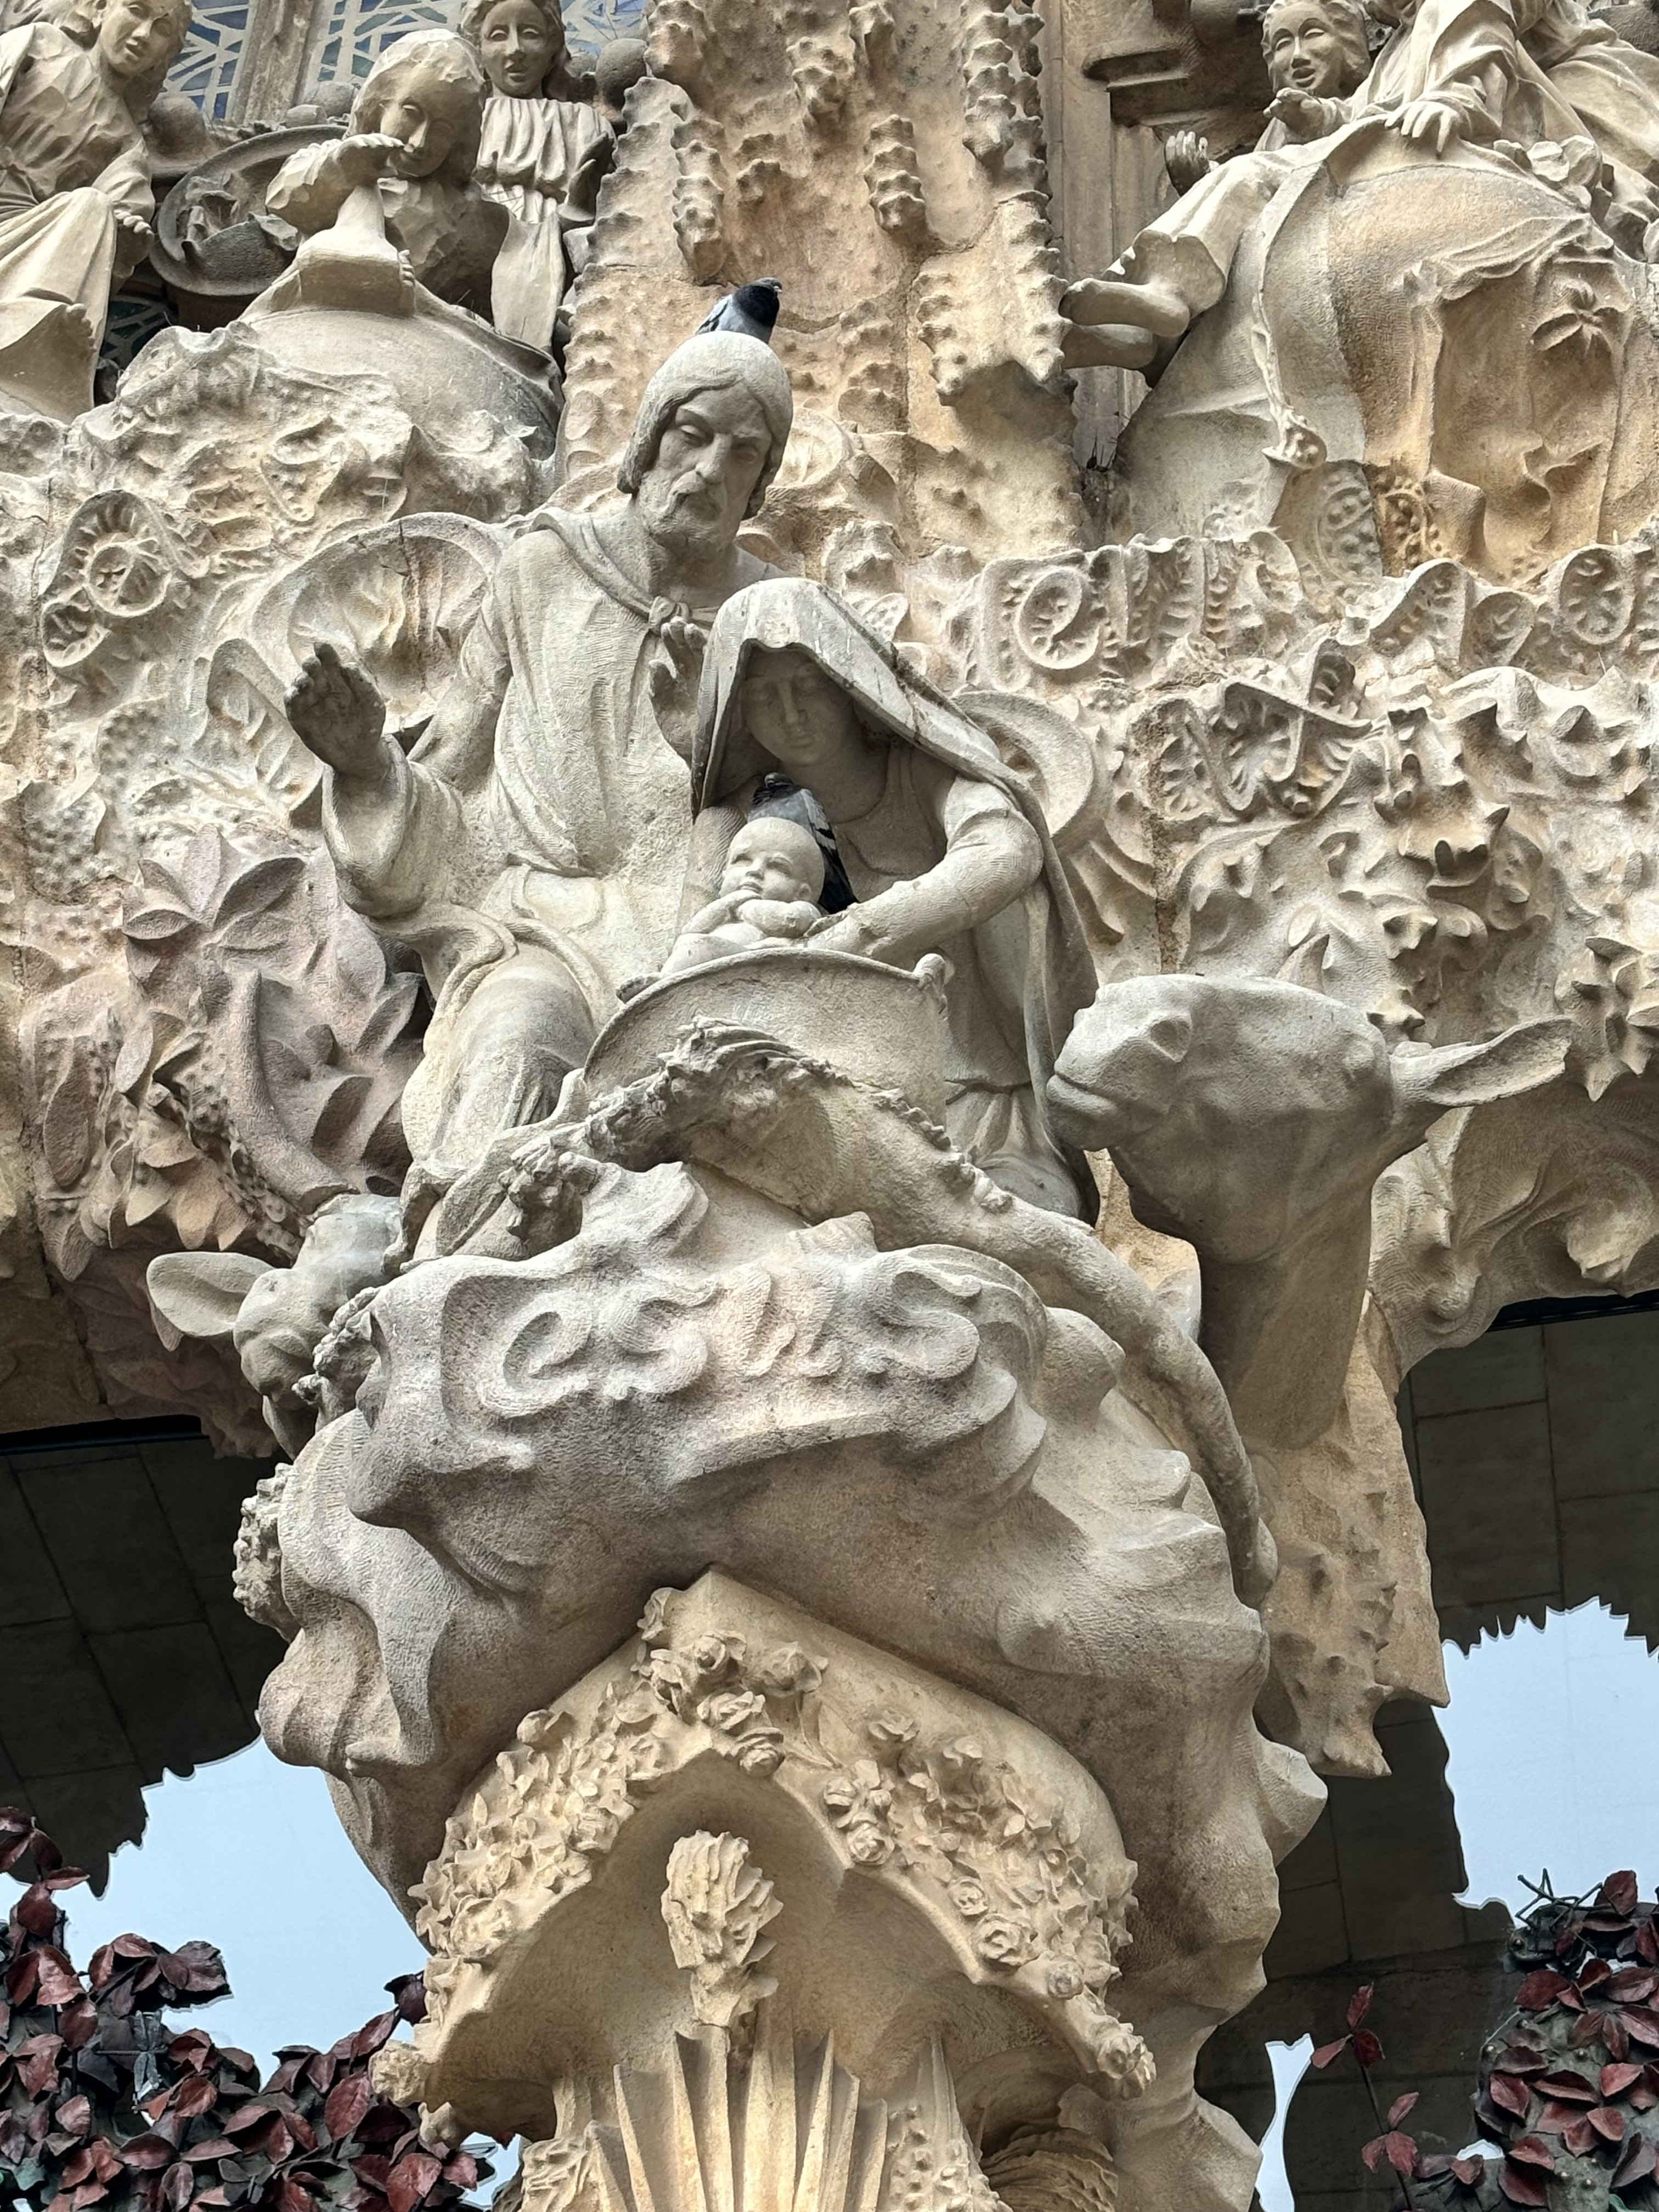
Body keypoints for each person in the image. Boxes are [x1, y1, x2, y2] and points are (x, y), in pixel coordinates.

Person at [283, 329, 794, 1187]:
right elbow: (455, 785)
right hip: (540, 929)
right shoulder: (543, 572)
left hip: (709, 941)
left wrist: (719, 761)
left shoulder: (773, 615)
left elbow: (808, 807)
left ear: (761, 483)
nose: (710, 470)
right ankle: (462, 1243)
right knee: (519, 1038)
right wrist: (367, 766)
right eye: (693, 434)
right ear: (649, 440)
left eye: (743, 453)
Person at [687, 577, 1098, 1216]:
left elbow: (1005, 849)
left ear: (848, 682)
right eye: (764, 697)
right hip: (816, 1109)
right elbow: (689, 974)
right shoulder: (743, 815)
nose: (791, 714)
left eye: (807, 686)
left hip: (982, 1099)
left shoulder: (928, 773)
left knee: (1019, 1215)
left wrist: (857, 935)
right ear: (740, 713)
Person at [1063, 0, 1372, 370]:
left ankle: (1163, 302)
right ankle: (1142, 339)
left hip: (1339, 215)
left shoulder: (1368, 96)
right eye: (1283, 44)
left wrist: (1323, 119)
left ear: (1348, 43)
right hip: (1282, 233)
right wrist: (1199, 178)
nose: (1298, 56)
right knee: (1236, 190)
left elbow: (1377, 126)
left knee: (1242, 173)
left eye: (1313, 34)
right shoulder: (1277, 128)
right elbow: (1252, 199)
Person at [0, 0, 190, 419]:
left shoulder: (127, 144)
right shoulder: (40, 46)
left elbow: (119, 213)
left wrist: (125, 237)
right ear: (100, 9)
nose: (143, 34)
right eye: (136, 10)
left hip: (38, 239)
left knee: (92, 206)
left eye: (162, 30)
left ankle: (38, 330)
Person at [264, 30, 506, 317]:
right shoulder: (337, 156)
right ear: (380, 103)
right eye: (411, 113)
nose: (419, 141)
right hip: (317, 312)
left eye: (442, 131)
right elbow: (281, 197)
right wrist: (344, 168)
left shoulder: (472, 210)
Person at [460, 0, 611, 346]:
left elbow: (608, 223)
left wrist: (575, 216)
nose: (515, 50)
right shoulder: (463, 119)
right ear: (477, 47)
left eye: (530, 34)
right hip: (472, 252)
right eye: (498, 35)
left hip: (559, 258)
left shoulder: (584, 123)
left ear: (552, 46)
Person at [661, 816, 825, 972]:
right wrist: (726, 904)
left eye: (776, 866)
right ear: (724, 874)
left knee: (697, 948)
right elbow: (692, 930)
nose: (755, 870)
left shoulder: (804, 908)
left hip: (747, 960)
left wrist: (744, 907)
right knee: (689, 945)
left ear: (802, 893)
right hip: (701, 957)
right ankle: (664, 978)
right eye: (743, 860)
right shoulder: (727, 906)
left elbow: (791, 921)